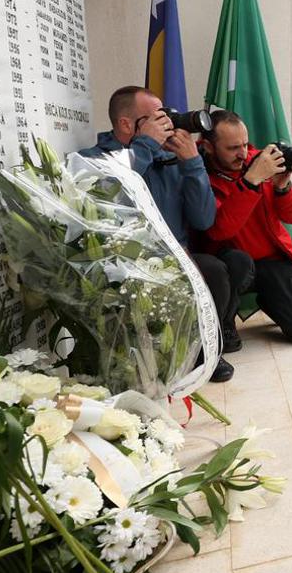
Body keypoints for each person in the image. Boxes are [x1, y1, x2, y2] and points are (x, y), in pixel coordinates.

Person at [83, 86, 234, 383]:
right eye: (155, 118)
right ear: (127, 124)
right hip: (122, 262)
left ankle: (204, 351)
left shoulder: (171, 159)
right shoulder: (97, 158)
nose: (166, 123)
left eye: (165, 115)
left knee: (216, 270)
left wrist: (192, 163)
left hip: (174, 257)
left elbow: (204, 219)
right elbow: (110, 193)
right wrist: (144, 147)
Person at [196, 111, 292, 343]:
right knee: (238, 262)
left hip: (269, 262)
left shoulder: (259, 161)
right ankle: (224, 322)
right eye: (233, 147)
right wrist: (250, 182)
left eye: (245, 144)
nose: (243, 153)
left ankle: (275, 299)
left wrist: (282, 188)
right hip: (230, 264)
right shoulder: (198, 174)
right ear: (208, 146)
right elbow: (220, 229)